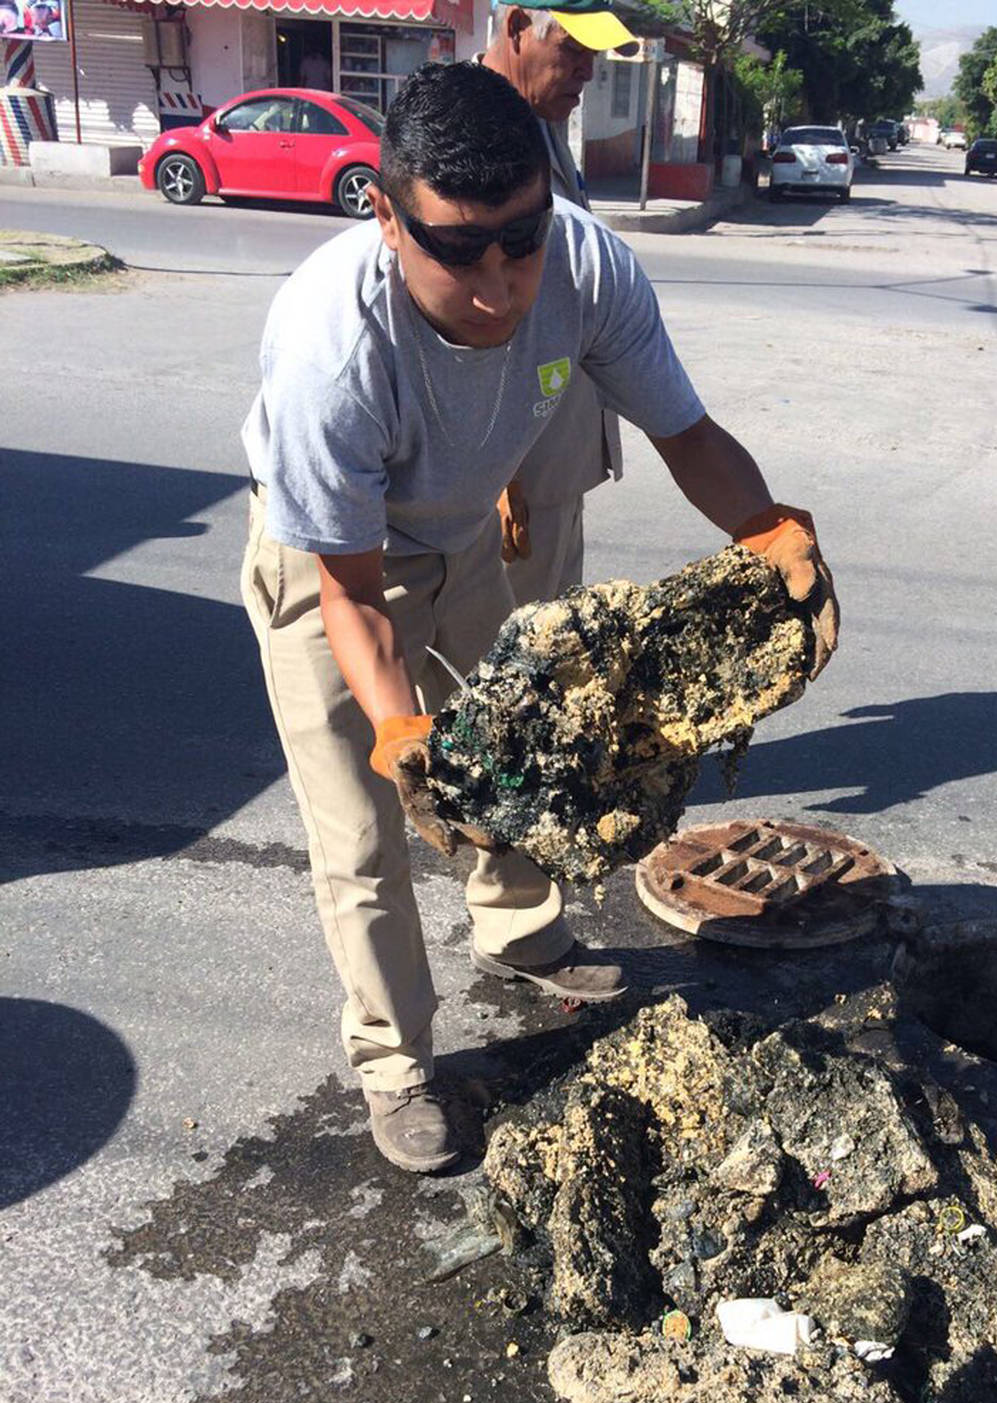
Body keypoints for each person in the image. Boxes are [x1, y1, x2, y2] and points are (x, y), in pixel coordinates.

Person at [241, 62, 838, 1174]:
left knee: (535, 747)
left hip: (469, 526)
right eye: (459, 248)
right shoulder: (331, 350)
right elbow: (353, 593)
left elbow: (685, 433)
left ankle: (520, 929)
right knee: (368, 824)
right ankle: (394, 1058)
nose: (500, 280)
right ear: (383, 211)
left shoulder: (584, 264)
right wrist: (402, 730)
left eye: (521, 237)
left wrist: (769, 529)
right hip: (336, 553)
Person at [480, 2, 637, 605]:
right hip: (508, 473)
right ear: (518, 28)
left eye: (593, 55)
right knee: (506, 665)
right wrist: (493, 470)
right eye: (572, 50)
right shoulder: (469, 131)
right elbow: (449, 318)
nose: (588, 72)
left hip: (552, 462)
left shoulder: (539, 121)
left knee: (552, 643)